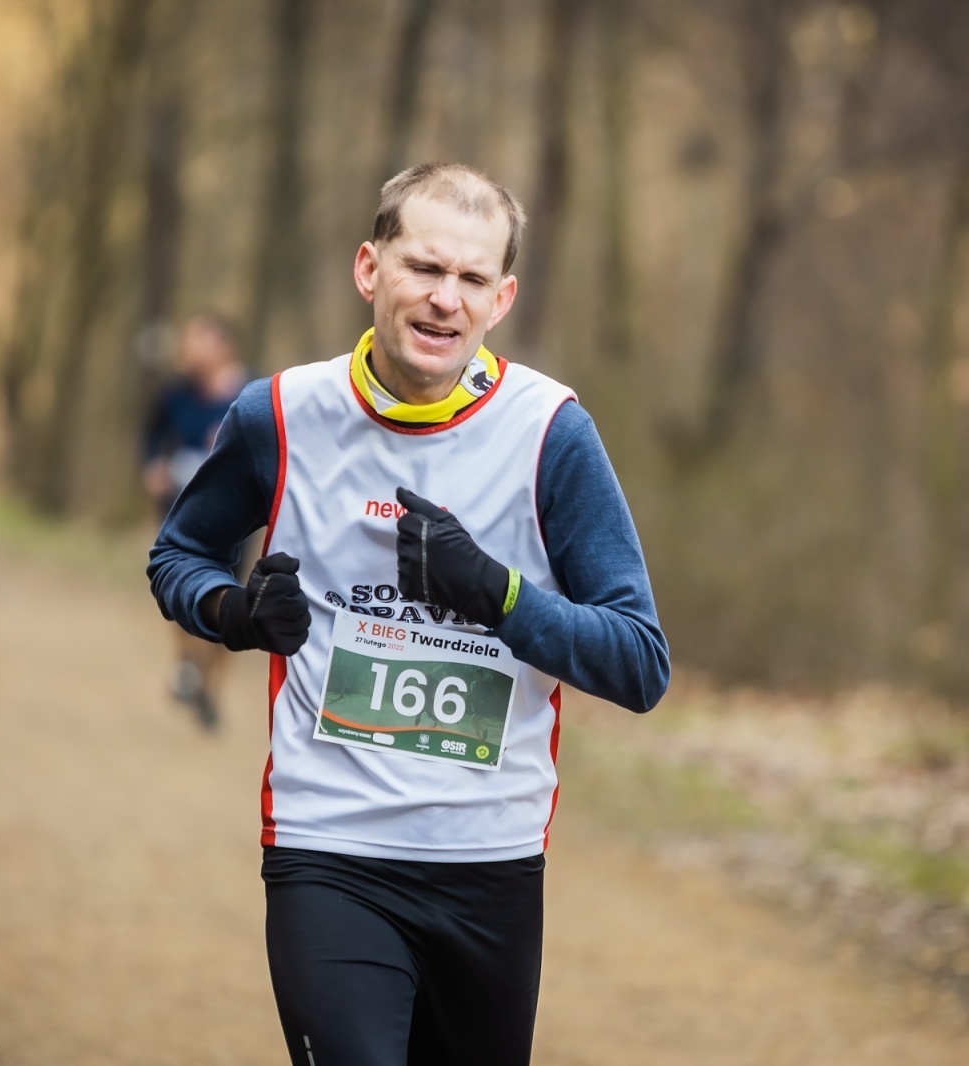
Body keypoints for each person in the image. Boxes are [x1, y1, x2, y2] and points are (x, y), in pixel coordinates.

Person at [148, 163, 668, 1066]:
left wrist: (497, 595)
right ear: (369, 269)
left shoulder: (550, 432)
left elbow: (639, 663)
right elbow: (176, 557)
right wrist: (232, 611)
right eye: (423, 268)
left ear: (502, 297)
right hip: (328, 846)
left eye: (471, 279)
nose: (443, 300)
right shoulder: (281, 413)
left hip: (490, 863)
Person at [141, 312, 249, 730]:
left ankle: (210, 688)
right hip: (179, 507)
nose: (186, 350)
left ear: (223, 347)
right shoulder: (174, 393)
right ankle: (186, 664)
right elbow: (150, 438)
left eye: (195, 341)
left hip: (237, 516)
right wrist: (153, 466)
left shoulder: (252, 395)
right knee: (174, 582)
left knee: (230, 600)